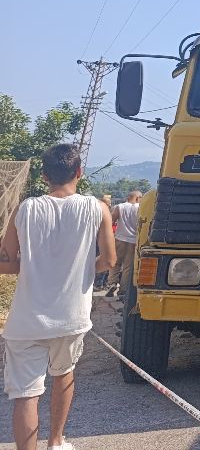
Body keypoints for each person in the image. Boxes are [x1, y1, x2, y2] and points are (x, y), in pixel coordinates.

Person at [0, 143, 115, 450]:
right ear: (79, 172)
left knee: (26, 394)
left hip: (27, 320)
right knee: (63, 375)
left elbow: (9, 262)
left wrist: (33, 265)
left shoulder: (24, 209)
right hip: (71, 316)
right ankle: (56, 442)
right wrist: (82, 270)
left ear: (43, 175)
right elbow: (109, 260)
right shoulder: (97, 208)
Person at [105, 190, 141, 297]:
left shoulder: (120, 207)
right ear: (137, 198)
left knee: (115, 263)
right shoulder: (140, 209)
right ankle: (123, 290)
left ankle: (112, 283)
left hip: (119, 239)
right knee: (128, 267)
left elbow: (110, 221)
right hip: (134, 241)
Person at [93, 196, 112, 291]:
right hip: (99, 241)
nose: (110, 205)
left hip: (97, 241)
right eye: (108, 204)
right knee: (104, 261)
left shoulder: (99, 212)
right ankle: (99, 283)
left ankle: (102, 283)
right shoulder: (103, 213)